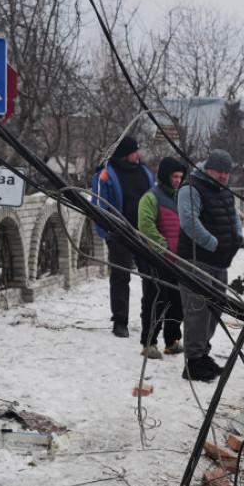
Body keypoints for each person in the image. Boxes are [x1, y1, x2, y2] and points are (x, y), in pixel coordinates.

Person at [176, 149, 242, 382]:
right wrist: (211, 243)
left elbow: (233, 215)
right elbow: (188, 221)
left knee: (215, 309)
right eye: (219, 171)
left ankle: (203, 354)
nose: (223, 176)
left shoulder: (222, 190)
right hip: (197, 259)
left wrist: (238, 236)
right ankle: (192, 362)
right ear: (207, 168)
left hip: (220, 262)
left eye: (227, 172)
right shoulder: (191, 188)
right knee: (198, 311)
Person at [91, 135, 154, 338]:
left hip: (144, 234)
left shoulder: (144, 172)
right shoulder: (105, 175)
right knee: (121, 277)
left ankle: (151, 318)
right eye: (135, 151)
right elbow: (98, 207)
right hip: (120, 235)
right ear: (125, 154)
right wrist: (109, 234)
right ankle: (120, 320)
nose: (139, 154)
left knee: (152, 276)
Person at [137, 157, 187, 359]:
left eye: (181, 177)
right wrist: (162, 245)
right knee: (156, 301)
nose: (177, 180)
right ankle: (149, 342)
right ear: (166, 176)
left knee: (177, 303)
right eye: (175, 176)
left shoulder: (181, 198)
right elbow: (145, 225)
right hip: (158, 260)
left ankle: (172, 341)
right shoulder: (151, 198)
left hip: (178, 261)